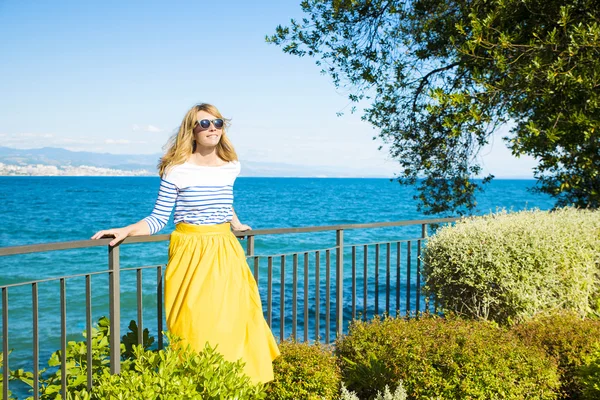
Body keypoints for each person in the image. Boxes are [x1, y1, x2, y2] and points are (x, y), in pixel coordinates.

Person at [91, 103, 280, 383]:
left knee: (234, 323)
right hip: (189, 253)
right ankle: (198, 387)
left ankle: (237, 386)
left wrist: (237, 224)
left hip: (225, 251)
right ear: (191, 131)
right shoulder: (176, 169)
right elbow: (157, 219)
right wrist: (126, 230)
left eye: (217, 123)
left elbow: (223, 203)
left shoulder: (231, 166)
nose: (212, 128)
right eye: (204, 124)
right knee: (193, 326)